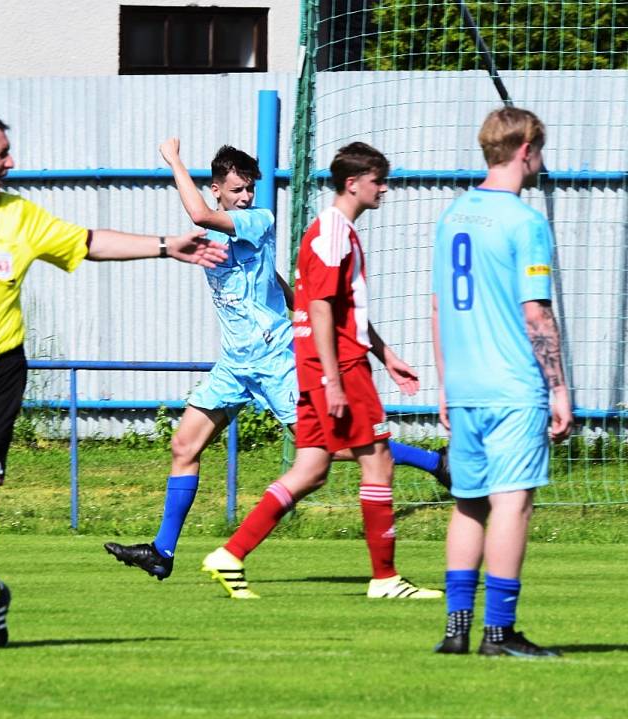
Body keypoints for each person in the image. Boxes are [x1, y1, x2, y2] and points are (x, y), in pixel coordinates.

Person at [0, 108, 228, 654]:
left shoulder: (18, 216)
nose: (11, 162)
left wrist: (163, 245)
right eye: (2, 153)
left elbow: (88, 241)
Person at [104, 140, 450, 585]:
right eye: (236, 190)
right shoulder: (214, 239)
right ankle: (162, 552)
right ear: (217, 188)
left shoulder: (256, 218)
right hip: (235, 363)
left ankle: (434, 463)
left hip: (274, 358)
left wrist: (173, 161)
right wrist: (294, 301)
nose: (245, 197)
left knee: (326, 451)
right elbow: (268, 275)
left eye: (249, 189)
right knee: (184, 448)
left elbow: (198, 214)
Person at [432, 107, 573, 657]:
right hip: (513, 385)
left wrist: (445, 384)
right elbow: (535, 312)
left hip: (465, 384)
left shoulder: (453, 215)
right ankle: (500, 632)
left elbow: (439, 305)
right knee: (512, 503)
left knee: (469, 503)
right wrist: (559, 388)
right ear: (526, 149)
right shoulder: (525, 221)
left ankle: (455, 631)